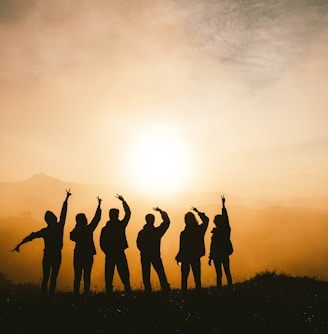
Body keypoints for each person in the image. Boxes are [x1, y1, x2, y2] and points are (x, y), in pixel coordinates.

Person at [11, 189, 72, 299]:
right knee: (53, 277)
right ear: (53, 219)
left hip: (48, 255)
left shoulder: (45, 231)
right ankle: (50, 297)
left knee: (46, 277)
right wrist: (66, 199)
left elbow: (31, 236)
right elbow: (64, 213)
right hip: (56, 255)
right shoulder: (59, 227)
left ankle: (45, 297)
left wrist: (19, 244)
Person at [70, 196, 102, 296]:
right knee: (86, 275)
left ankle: (76, 294)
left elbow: (71, 237)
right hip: (88, 254)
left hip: (78, 254)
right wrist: (99, 206)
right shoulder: (88, 229)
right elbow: (96, 219)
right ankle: (86, 294)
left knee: (77, 276)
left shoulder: (76, 231)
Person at [100, 194, 131, 294]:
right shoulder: (120, 226)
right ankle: (127, 290)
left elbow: (102, 243)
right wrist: (123, 201)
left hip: (110, 254)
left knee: (109, 274)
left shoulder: (106, 229)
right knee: (123, 273)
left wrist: (106, 251)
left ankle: (109, 292)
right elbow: (128, 214)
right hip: (119, 252)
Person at [137, 207, 171, 293]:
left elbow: (138, 244)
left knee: (146, 275)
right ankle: (166, 290)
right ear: (153, 221)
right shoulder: (157, 232)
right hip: (155, 255)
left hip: (144, 256)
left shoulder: (142, 232)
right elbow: (167, 222)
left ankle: (148, 291)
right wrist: (161, 212)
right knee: (161, 273)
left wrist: (144, 251)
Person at [175, 206, 209, 291]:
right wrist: (198, 212)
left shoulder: (183, 233)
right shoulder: (199, 230)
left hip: (185, 258)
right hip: (195, 256)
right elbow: (206, 220)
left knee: (184, 279)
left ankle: (184, 295)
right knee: (197, 278)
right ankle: (198, 295)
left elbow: (182, 247)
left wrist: (179, 257)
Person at [208, 195, 233, 291]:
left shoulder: (220, 231)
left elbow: (212, 246)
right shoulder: (225, 230)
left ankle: (220, 290)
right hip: (223, 254)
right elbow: (226, 219)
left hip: (217, 255)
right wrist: (223, 205)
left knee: (219, 273)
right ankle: (229, 288)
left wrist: (223, 205)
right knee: (226, 271)